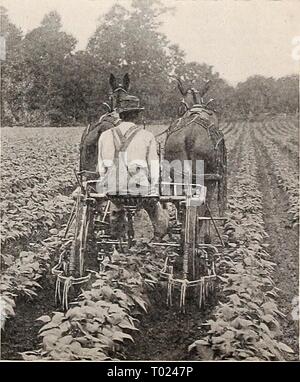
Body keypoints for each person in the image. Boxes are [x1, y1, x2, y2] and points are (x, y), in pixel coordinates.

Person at [97, 94, 169, 240]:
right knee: (154, 209)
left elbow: (101, 168)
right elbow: (154, 168)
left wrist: (107, 184)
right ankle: (159, 236)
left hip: (112, 190)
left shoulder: (104, 136)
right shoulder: (146, 136)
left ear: (120, 115)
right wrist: (154, 189)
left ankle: (117, 235)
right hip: (139, 189)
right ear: (137, 116)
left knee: (116, 204)